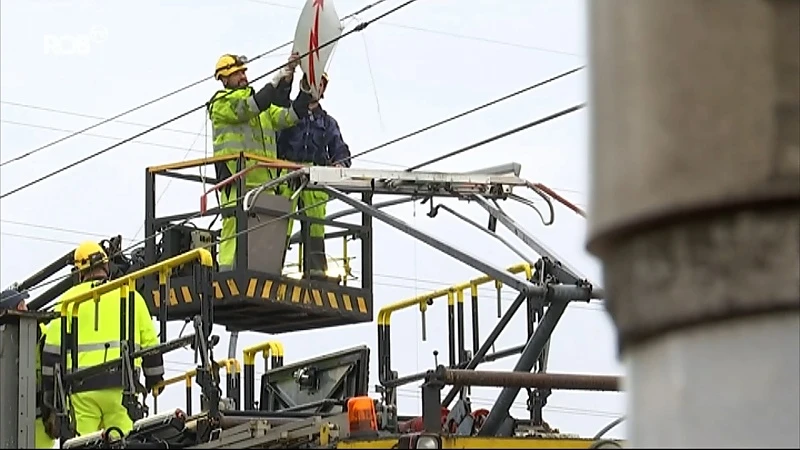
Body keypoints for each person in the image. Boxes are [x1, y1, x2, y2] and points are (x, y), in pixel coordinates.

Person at [40, 241, 164, 438]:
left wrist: (50, 397)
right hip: (122, 389)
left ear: (78, 272)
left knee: (83, 442)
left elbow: (51, 353)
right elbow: (150, 345)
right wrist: (155, 379)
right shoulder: (130, 295)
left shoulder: (67, 303)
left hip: (81, 390)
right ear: (106, 266)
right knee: (125, 440)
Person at [209, 53, 314, 270]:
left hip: (264, 184)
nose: (242, 76)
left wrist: (305, 90)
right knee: (235, 230)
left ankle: (261, 270)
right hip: (237, 183)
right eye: (236, 74)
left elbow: (289, 116)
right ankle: (227, 274)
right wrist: (276, 81)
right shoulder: (220, 104)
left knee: (264, 231)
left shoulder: (258, 107)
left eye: (243, 72)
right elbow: (248, 108)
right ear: (224, 79)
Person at [277, 72, 352, 280]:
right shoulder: (289, 113)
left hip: (315, 180)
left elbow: (341, 150)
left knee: (315, 228)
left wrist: (340, 165)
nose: (317, 88)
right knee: (280, 225)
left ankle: (316, 273)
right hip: (288, 177)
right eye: (314, 82)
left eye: (321, 84)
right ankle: (273, 269)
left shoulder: (328, 123)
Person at [0, 287, 56, 448]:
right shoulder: (43, 334)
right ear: (19, 308)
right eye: (24, 304)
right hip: (37, 418)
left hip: (30, 416)